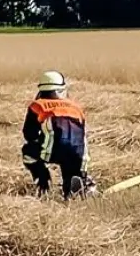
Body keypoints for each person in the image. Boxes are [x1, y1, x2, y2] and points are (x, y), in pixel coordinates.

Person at [22, 70, 97, 200]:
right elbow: (82, 134)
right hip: (78, 153)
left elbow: (29, 134)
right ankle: (76, 184)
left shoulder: (37, 105)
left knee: (28, 152)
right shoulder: (76, 107)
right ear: (62, 89)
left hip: (52, 150)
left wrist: (38, 142)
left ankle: (43, 181)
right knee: (70, 169)